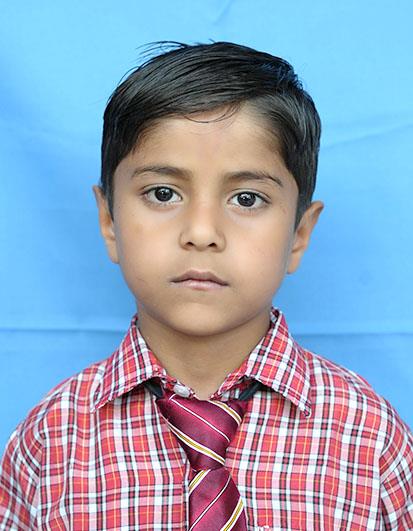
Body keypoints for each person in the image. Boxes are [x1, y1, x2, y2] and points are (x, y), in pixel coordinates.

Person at [0, 41, 411, 530]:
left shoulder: (371, 437)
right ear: (109, 220)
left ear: (299, 234)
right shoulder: (49, 441)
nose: (201, 232)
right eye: (163, 193)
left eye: (247, 198)